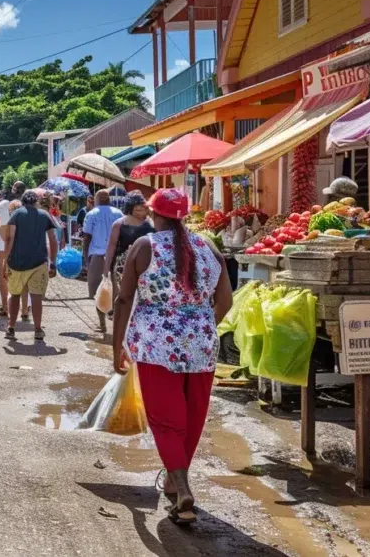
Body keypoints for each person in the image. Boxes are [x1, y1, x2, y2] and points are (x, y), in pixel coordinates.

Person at [112, 188, 231, 526]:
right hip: (202, 347)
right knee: (192, 417)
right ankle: (175, 483)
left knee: (166, 420)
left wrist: (116, 346)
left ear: (154, 214)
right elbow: (225, 302)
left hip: (156, 346)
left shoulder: (144, 247)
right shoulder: (209, 248)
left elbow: (123, 301)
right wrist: (201, 327)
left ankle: (182, 488)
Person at [2, 189, 58, 340]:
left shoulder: (16, 214)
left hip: (16, 263)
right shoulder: (44, 215)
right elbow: (53, 239)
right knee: (36, 296)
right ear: (36, 202)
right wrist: (53, 262)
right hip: (39, 262)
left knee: (14, 295)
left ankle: (11, 328)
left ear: (23, 201)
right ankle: (38, 329)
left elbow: (9, 238)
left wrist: (4, 261)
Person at [82, 190, 122, 332]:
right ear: (109, 199)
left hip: (97, 256)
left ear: (96, 200)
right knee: (116, 290)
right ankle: (116, 321)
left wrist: (85, 257)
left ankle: (102, 324)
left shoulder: (91, 214)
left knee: (97, 290)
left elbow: (86, 237)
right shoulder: (119, 213)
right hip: (117, 257)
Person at [103, 191, 153, 297]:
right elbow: (111, 247)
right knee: (123, 294)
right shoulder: (119, 224)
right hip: (122, 266)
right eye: (138, 209)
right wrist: (106, 268)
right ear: (130, 209)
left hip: (145, 266)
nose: (141, 212)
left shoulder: (150, 224)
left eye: (143, 209)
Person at [0, 182, 26, 319]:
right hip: (20, 242)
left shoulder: (2, 204)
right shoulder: (25, 205)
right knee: (23, 274)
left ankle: (5, 307)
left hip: (1, 243)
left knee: (3, 275)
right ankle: (24, 309)